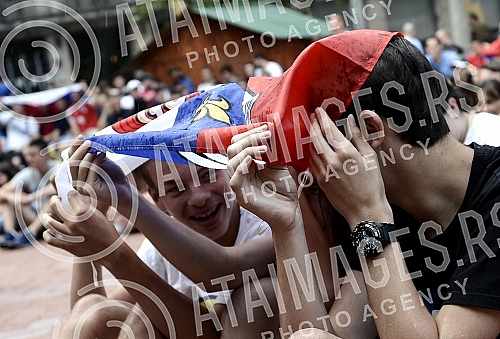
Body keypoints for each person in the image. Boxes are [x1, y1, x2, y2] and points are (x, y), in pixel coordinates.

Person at [227, 30, 500, 338]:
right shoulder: (385, 203)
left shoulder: (371, 207)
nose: (309, 170)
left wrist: (369, 218)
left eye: (312, 144)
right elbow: (314, 334)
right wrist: (286, 224)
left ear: (370, 131)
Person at [43, 138, 280, 338]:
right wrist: (90, 217)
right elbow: (90, 313)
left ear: (228, 169)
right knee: (106, 311)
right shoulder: (162, 242)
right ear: (157, 200)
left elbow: (220, 272)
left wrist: (114, 252)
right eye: (176, 188)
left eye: (207, 175)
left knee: (259, 296)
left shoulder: (265, 221)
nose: (199, 197)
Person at [0, 138, 59, 248]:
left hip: (56, 221)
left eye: (33, 155)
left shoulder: (57, 167)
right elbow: (2, 191)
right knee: (8, 199)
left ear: (46, 155)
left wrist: (30, 197)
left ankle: (30, 233)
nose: (28, 159)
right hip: (35, 219)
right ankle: (10, 234)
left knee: (54, 197)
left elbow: (58, 186)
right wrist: (10, 196)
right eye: (27, 155)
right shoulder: (29, 172)